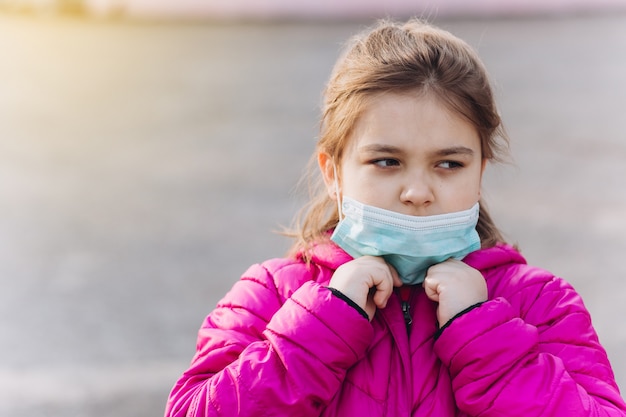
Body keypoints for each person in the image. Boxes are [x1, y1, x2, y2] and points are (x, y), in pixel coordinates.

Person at [164, 18, 626, 417]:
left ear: (480, 172)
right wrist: (323, 326)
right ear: (333, 173)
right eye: (386, 161)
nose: (418, 192)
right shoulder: (271, 295)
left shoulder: (538, 303)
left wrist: (483, 335)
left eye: (449, 164)